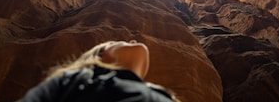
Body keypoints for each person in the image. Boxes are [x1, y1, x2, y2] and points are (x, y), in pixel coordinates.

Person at [17, 40, 178, 101]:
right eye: (116, 42)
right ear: (102, 56)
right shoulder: (74, 81)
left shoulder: (164, 95)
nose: (132, 40)